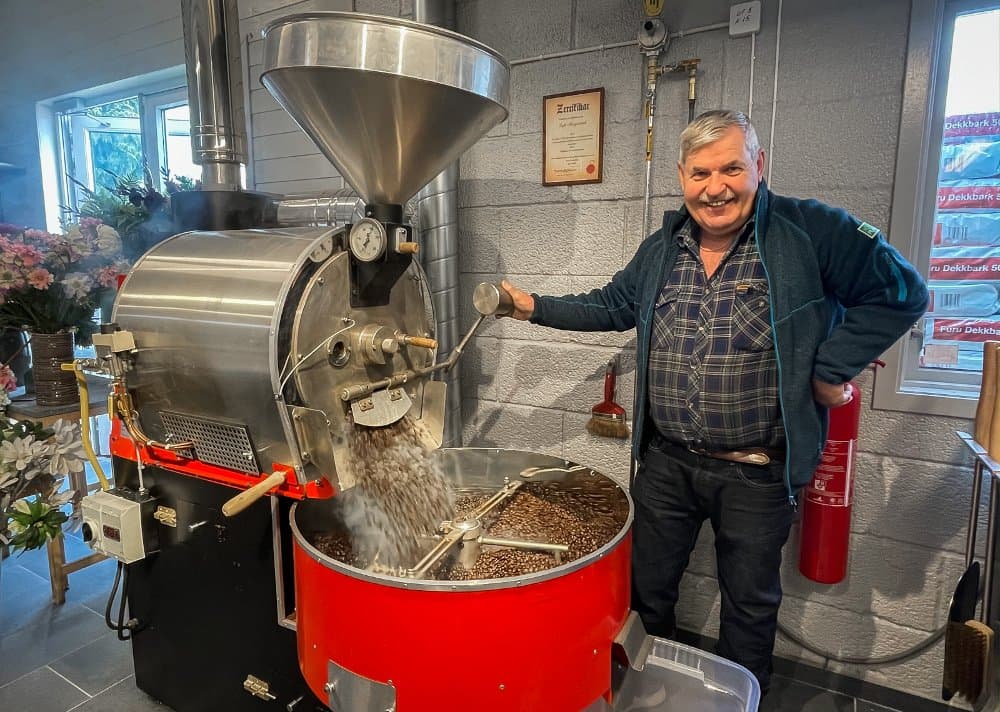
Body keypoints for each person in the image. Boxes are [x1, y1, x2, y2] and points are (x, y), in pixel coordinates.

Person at [500, 109, 928, 694]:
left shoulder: (810, 231)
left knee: (748, 610)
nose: (716, 187)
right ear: (682, 176)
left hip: (757, 471)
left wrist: (832, 367)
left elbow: (902, 292)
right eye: (701, 173)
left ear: (759, 165)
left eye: (731, 167)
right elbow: (610, 305)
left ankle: (738, 702)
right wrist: (530, 306)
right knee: (644, 593)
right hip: (666, 464)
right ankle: (643, 696)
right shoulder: (664, 247)